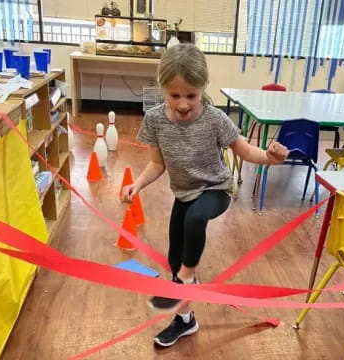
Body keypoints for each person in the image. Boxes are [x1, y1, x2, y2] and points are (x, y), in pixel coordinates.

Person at [121, 43, 288, 347]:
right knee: (176, 259)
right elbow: (157, 164)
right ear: (162, 89)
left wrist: (270, 157)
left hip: (216, 189)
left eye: (191, 96)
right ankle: (185, 320)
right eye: (175, 96)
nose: (183, 104)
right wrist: (138, 185)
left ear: (202, 89)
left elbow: (246, 150)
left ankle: (186, 280)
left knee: (195, 222)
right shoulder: (156, 120)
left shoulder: (214, 119)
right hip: (183, 194)